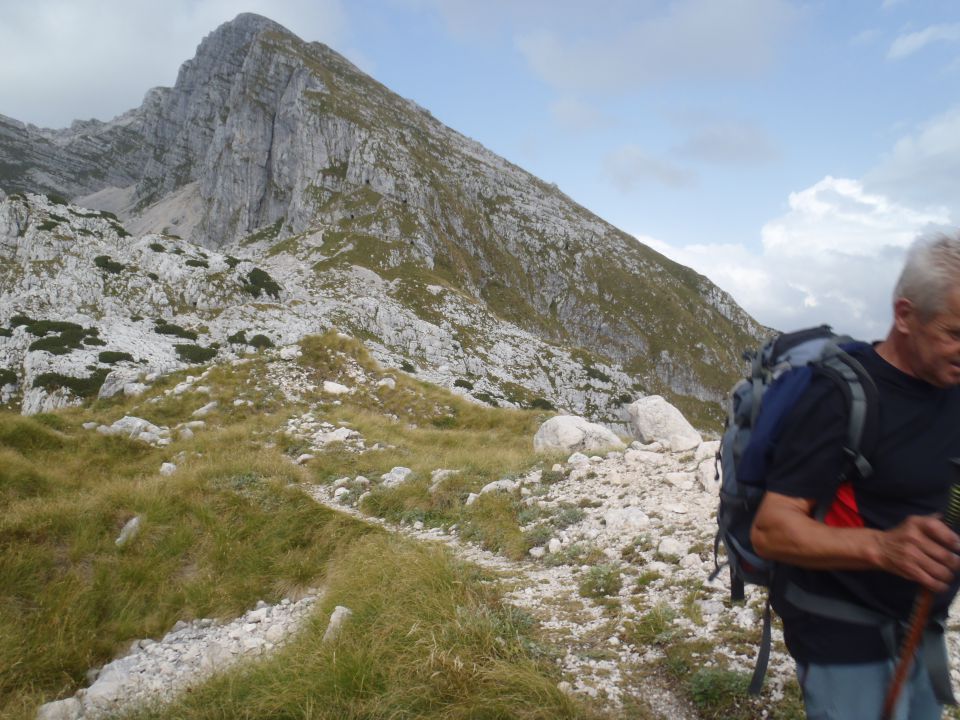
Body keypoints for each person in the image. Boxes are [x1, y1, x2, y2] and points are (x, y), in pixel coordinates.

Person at [751, 230, 960, 720]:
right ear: (905, 316)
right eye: (954, 333)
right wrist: (883, 548)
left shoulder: (951, 386)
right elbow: (771, 530)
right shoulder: (839, 396)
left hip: (918, 629)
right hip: (842, 636)